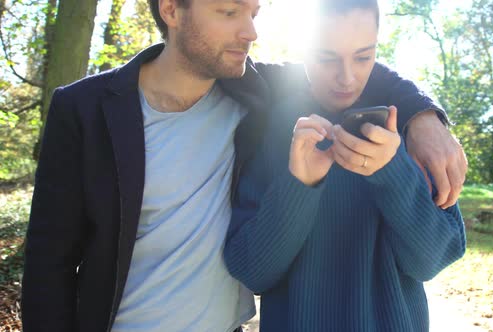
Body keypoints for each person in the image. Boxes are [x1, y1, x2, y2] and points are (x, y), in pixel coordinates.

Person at [21, 0, 465, 331]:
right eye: (230, 12)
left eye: (253, 11)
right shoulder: (84, 108)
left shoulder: (259, 95)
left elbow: (349, 64)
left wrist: (425, 116)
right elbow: (48, 262)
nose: (251, 31)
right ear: (172, 9)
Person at [223, 0, 466, 331]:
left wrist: (393, 172)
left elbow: (432, 260)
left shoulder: (407, 127)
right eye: (327, 58)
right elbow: (252, 272)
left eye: (364, 56)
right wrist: (299, 185)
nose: (347, 78)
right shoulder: (271, 124)